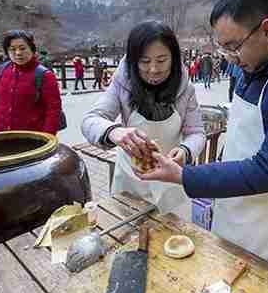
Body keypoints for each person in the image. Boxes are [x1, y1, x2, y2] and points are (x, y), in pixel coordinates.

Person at [136, 0, 268, 278]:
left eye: (234, 46)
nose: (230, 58)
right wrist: (190, 158)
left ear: (267, 30)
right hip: (240, 201)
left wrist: (184, 176)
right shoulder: (251, 66)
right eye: (223, 47)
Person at [81, 21, 206, 221]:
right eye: (145, 61)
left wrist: (185, 151)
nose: (154, 69)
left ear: (173, 58)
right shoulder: (122, 83)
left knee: (173, 239)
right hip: (131, 182)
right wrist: (115, 132)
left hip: (171, 179)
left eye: (162, 60)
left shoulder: (185, 89)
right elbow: (90, 120)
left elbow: (197, 132)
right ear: (133, 61)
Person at [0, 30, 63, 135]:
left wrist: (47, 137)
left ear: (32, 49)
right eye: (12, 49)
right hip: (2, 135)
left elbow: (53, 110)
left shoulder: (44, 75)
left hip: (32, 138)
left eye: (22, 48)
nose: (18, 53)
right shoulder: (1, 71)